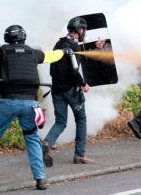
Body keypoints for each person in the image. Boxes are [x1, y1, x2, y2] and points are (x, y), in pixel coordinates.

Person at [0, 25, 68, 190]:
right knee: (32, 139)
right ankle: (40, 179)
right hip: (30, 104)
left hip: (7, 102)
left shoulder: (2, 51)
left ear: (7, 38)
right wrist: (64, 51)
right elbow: (52, 56)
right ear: (23, 37)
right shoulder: (33, 52)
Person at [42, 17, 106, 167]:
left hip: (57, 90)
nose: (84, 32)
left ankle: (47, 143)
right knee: (81, 120)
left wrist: (95, 46)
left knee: (60, 122)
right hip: (71, 91)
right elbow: (74, 70)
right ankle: (79, 155)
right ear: (80, 30)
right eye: (83, 30)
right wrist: (83, 84)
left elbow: (54, 68)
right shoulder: (74, 47)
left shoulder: (59, 44)